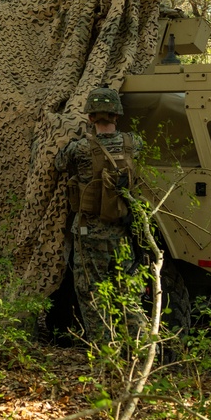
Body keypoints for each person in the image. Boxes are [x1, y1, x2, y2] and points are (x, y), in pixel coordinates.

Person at [55, 87, 144, 341]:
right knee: (127, 291)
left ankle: (105, 353)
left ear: (91, 117)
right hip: (123, 232)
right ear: (117, 116)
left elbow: (59, 163)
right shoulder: (132, 143)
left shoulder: (81, 148)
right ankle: (139, 348)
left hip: (89, 232)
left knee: (90, 292)